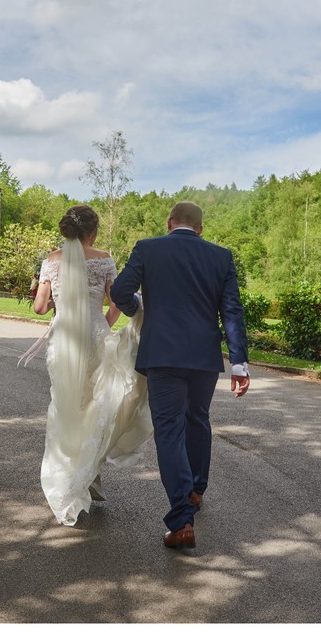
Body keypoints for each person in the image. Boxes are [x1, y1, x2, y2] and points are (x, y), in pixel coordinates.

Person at [110, 201, 250, 549]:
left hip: (162, 354)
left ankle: (181, 521)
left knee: (169, 430)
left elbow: (119, 292)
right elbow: (231, 311)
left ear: (170, 223)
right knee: (198, 419)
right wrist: (239, 364)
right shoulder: (222, 257)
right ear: (200, 228)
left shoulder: (148, 248)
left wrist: (139, 311)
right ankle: (196, 491)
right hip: (203, 357)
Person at [25, 205, 153, 526]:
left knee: (66, 406)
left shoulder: (51, 261)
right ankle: (90, 476)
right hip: (95, 340)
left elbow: (40, 308)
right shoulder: (104, 258)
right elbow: (117, 303)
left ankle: (69, 473)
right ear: (93, 231)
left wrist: (57, 299)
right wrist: (104, 325)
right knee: (97, 407)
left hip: (64, 341)